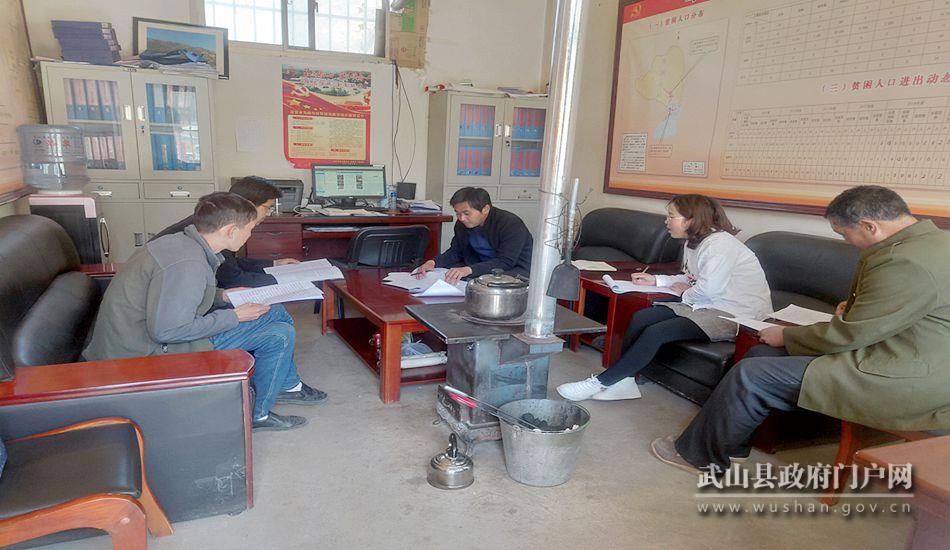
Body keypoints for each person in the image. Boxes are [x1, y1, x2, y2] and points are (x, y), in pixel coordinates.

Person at [653, 186, 950, 474]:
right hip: (895, 348)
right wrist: (856, 306)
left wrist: (786, 335)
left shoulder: (903, 261)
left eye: (845, 234)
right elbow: (901, 310)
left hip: (901, 372)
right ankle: (731, 446)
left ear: (869, 226)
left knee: (752, 374)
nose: (848, 242)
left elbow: (851, 334)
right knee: (758, 353)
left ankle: (700, 457)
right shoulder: (931, 243)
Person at [84, 192, 327, 432]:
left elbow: (177, 295)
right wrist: (234, 316)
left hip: (136, 338)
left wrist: (223, 296)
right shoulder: (188, 264)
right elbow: (167, 331)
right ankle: (257, 415)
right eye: (250, 229)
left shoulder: (181, 243)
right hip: (142, 353)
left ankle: (285, 384)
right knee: (279, 335)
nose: (250, 235)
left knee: (274, 311)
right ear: (231, 230)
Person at [557, 194, 772, 402]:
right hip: (705, 305)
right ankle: (625, 383)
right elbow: (691, 277)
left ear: (691, 220)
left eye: (671, 216)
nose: (666, 221)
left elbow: (708, 289)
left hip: (736, 315)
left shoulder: (719, 246)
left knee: (657, 332)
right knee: (641, 317)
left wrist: (683, 292)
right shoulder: (694, 242)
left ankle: (602, 382)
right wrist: (656, 280)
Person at [152, 176, 300, 288]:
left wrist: (273, 264)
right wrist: (291, 279)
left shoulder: (215, 220)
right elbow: (232, 280)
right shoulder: (215, 230)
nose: (268, 213)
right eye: (268, 207)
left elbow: (228, 264)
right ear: (248, 204)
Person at [412, 187, 532, 283]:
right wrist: (433, 262)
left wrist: (468, 270)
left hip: (512, 269)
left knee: (472, 281)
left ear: (485, 209)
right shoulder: (462, 224)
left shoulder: (510, 223)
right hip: (479, 265)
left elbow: (505, 261)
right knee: (447, 275)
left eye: (466, 213)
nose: (462, 218)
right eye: (458, 213)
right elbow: (456, 252)